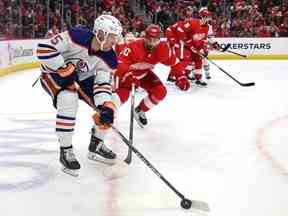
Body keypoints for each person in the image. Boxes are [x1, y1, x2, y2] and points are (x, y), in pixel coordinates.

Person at [36, 15, 123, 176]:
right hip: (53, 73)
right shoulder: (76, 36)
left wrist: (104, 106)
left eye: (116, 38)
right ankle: (66, 149)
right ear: (101, 34)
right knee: (68, 98)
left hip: (82, 77)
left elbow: (102, 84)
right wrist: (62, 67)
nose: (115, 42)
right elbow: (43, 48)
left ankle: (96, 143)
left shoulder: (110, 58)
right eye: (112, 37)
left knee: (113, 101)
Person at [112, 24, 189, 128]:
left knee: (160, 91)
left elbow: (175, 63)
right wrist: (128, 75)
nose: (152, 43)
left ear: (159, 39)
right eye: (149, 40)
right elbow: (119, 64)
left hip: (144, 74)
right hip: (126, 75)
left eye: (155, 40)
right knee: (122, 95)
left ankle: (139, 110)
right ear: (145, 37)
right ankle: (109, 112)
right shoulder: (133, 47)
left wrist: (181, 76)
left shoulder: (163, 48)